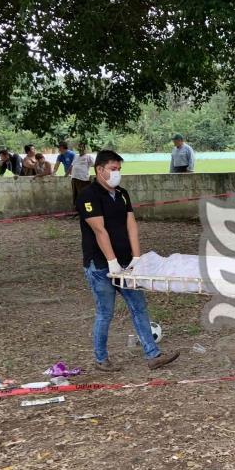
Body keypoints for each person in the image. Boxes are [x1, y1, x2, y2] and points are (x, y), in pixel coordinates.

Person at [77, 150, 180, 371]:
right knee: (105, 312)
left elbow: (131, 225)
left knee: (139, 306)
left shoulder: (122, 194)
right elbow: (99, 230)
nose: (117, 174)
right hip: (100, 265)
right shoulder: (88, 195)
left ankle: (153, 355)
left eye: (119, 170)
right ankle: (101, 359)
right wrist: (111, 261)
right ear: (100, 170)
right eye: (113, 169)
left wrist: (136, 257)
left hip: (127, 264)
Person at [70, 142, 95, 211]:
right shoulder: (76, 156)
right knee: (76, 195)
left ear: (85, 149)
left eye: (82, 147)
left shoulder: (88, 157)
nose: (81, 149)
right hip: (74, 178)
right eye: (79, 147)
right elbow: (72, 165)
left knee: (85, 195)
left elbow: (95, 165)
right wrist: (67, 174)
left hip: (83, 179)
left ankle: (88, 210)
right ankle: (79, 210)